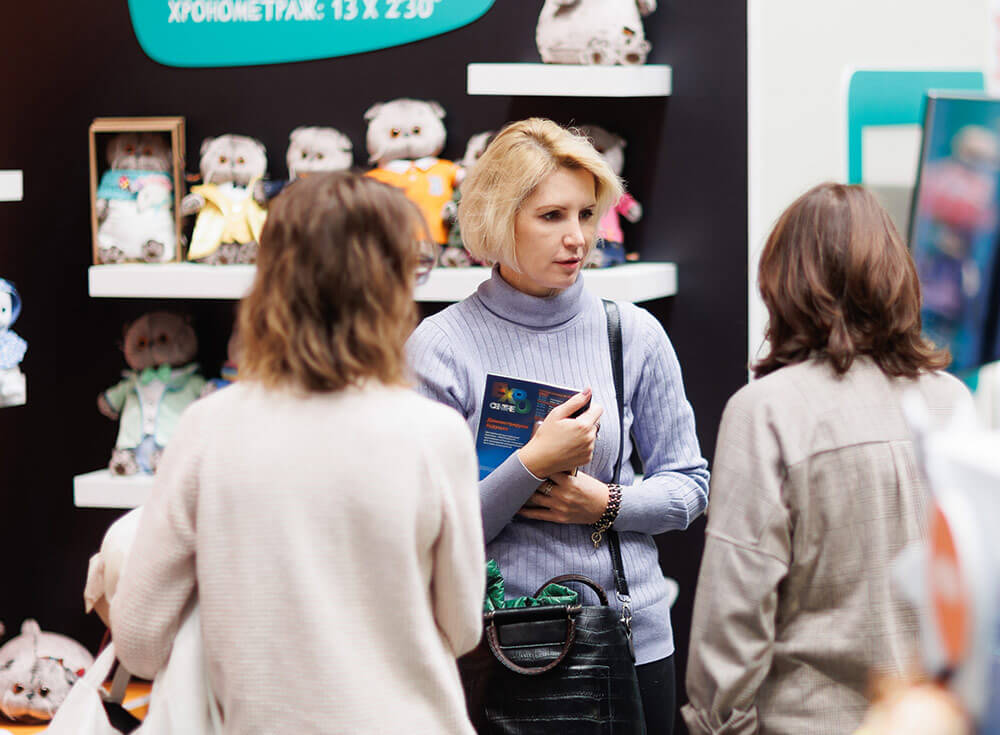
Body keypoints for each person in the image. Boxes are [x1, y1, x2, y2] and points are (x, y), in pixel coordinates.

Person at [110, 172, 486, 734]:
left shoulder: (207, 428)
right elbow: (461, 628)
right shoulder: (434, 433)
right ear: (388, 289)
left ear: (270, 282)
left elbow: (138, 642)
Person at [407, 118, 710, 733]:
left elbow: (689, 486)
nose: (577, 238)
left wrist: (607, 504)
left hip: (631, 641)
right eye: (551, 216)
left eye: (587, 214)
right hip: (498, 647)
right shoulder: (441, 347)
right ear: (498, 219)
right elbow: (432, 533)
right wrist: (532, 464)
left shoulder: (633, 333)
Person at [681, 183, 973, 735]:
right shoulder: (951, 402)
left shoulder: (766, 411)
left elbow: (733, 613)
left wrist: (719, 726)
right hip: (930, 719)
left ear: (782, 282)